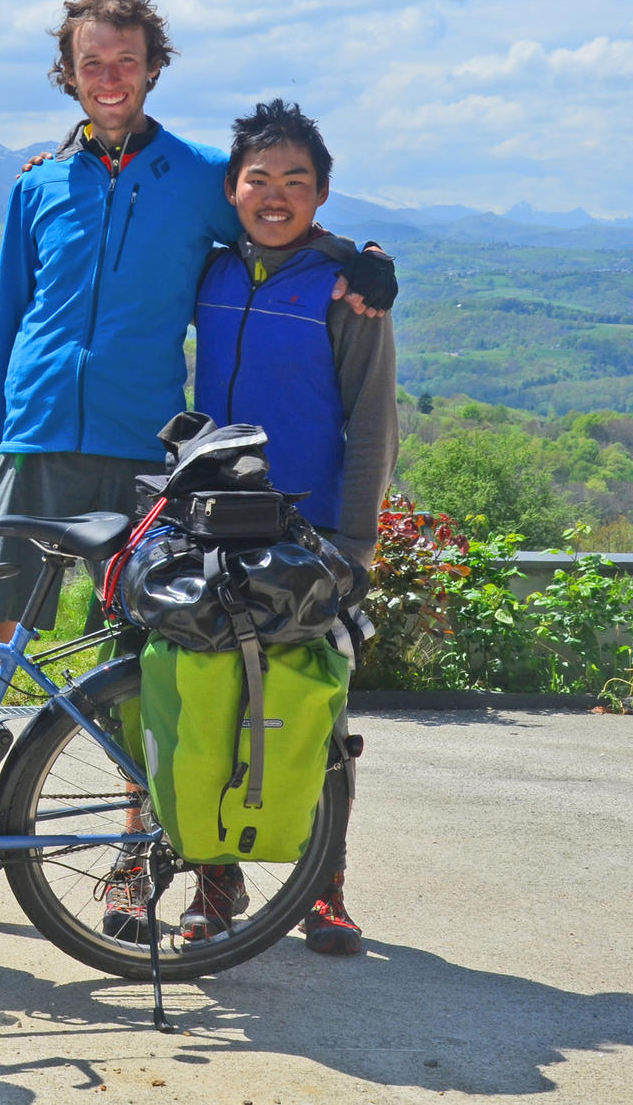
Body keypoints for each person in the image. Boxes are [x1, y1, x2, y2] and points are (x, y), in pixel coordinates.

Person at [0, 0, 393, 725]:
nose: (110, 78)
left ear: (154, 67)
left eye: (126, 61)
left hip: (146, 455)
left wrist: (363, 256)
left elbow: (275, 215)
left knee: (141, 654)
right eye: (93, 64)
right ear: (70, 75)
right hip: (34, 438)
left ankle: (138, 837)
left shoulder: (195, 176)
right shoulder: (38, 187)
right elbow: (4, 335)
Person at [182, 98, 394, 955]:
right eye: (258, 179)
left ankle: (325, 885)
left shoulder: (346, 290)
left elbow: (373, 421)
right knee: (217, 706)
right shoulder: (209, 271)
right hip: (215, 521)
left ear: (323, 193)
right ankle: (216, 882)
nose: (276, 196)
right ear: (232, 190)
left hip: (311, 534)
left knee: (316, 707)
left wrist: (356, 546)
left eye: (295, 182)